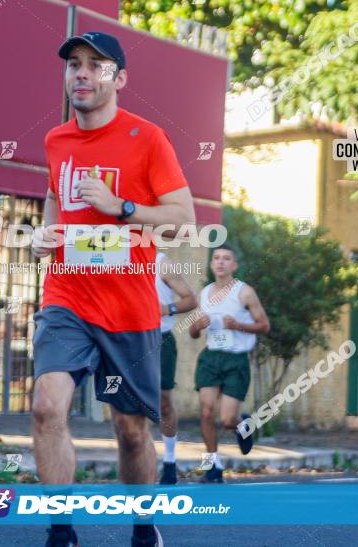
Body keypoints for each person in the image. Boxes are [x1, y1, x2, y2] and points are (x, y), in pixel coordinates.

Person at [31, 31, 195, 547]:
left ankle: (144, 525)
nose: (81, 73)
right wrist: (46, 232)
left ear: (119, 79)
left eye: (95, 66)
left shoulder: (147, 139)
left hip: (128, 308)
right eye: (74, 64)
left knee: (129, 429)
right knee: (46, 405)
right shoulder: (56, 140)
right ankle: (61, 529)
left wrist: (121, 206)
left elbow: (184, 221)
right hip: (68, 298)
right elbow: (55, 197)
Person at [189, 246, 270, 483]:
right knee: (205, 412)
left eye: (226, 258)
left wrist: (238, 325)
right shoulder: (203, 294)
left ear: (234, 265)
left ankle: (243, 424)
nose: (221, 262)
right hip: (211, 357)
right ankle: (213, 466)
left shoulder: (244, 293)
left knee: (226, 420)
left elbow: (264, 325)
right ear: (212, 264)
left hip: (235, 360)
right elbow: (193, 333)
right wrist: (197, 325)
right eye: (216, 258)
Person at [154, 252, 197, 485]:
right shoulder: (115, 257)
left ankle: (169, 460)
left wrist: (166, 308)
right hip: (126, 339)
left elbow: (191, 299)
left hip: (159, 339)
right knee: (126, 405)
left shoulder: (162, 263)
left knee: (164, 401)